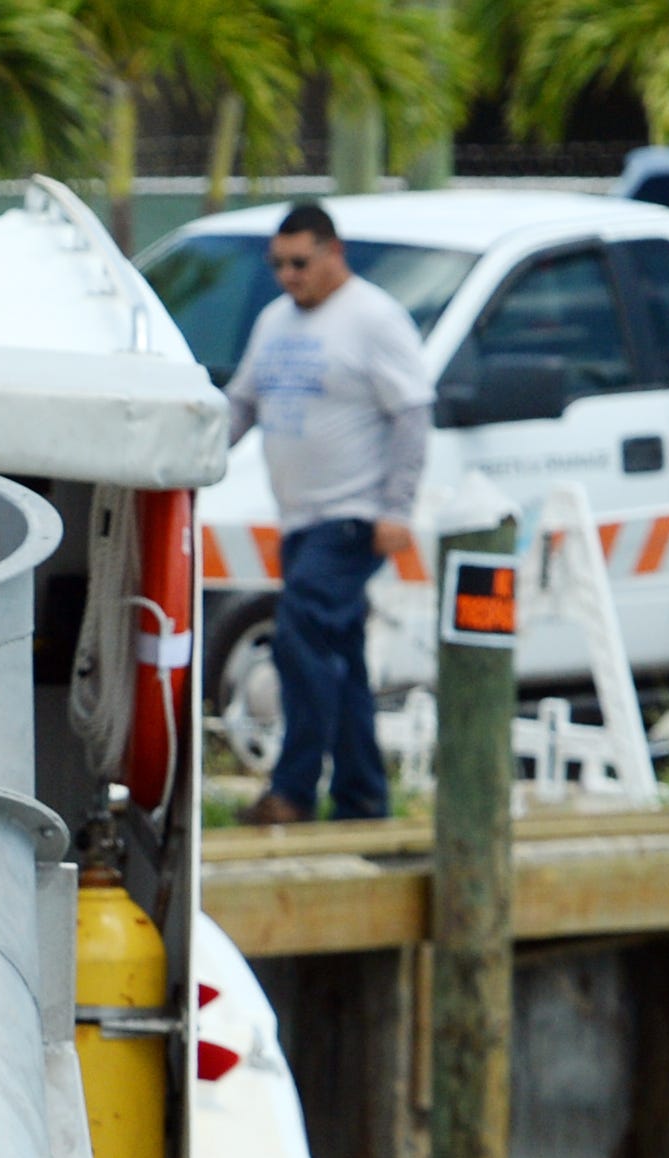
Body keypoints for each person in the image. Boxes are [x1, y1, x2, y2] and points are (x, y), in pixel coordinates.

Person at [220, 201, 430, 829]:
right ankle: (364, 801)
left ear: (333, 253)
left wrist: (397, 508)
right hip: (299, 520)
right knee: (337, 663)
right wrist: (191, 459)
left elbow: (414, 414)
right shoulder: (274, 322)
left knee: (298, 641)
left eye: (300, 262)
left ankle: (293, 790)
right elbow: (242, 404)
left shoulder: (373, 318)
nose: (288, 275)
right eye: (278, 263)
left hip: (351, 516)